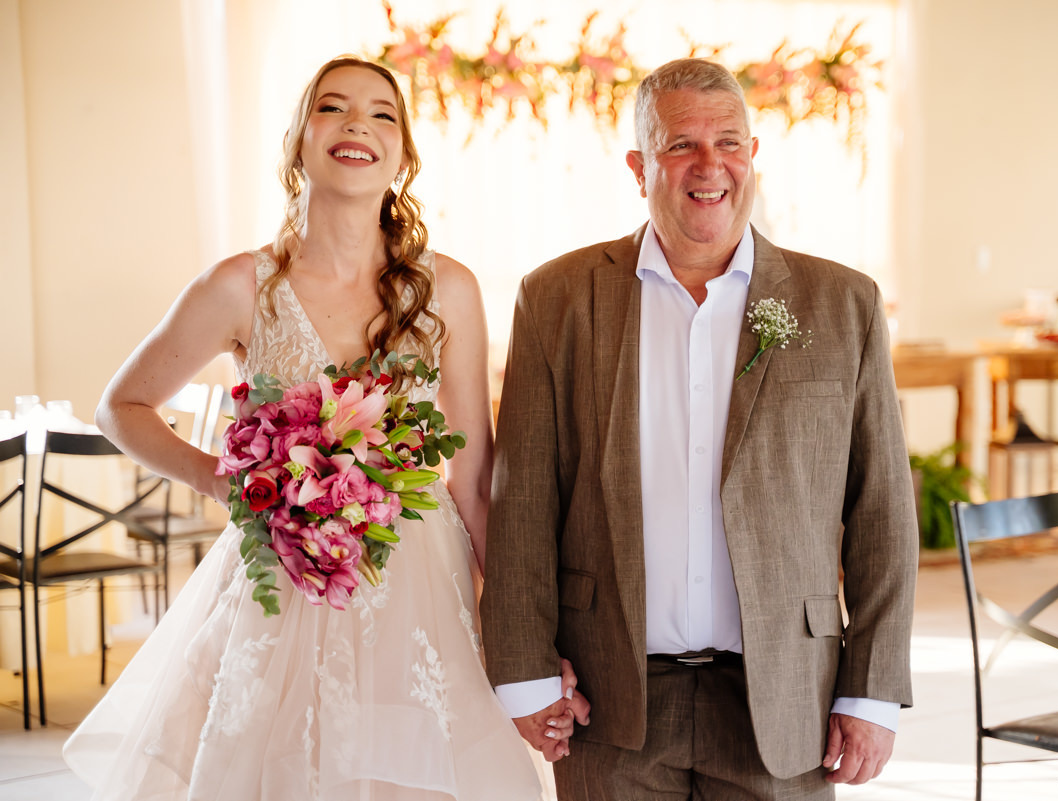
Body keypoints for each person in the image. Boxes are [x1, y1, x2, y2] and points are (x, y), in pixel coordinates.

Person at [62, 55, 568, 800]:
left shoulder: (449, 290)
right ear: (300, 140)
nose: (358, 121)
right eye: (332, 108)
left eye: (382, 113)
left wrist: (522, 635)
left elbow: (474, 477)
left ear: (402, 154)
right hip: (280, 583)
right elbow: (120, 406)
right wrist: (229, 479)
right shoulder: (243, 285)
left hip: (419, 585)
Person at [481, 58, 918, 799]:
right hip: (609, 700)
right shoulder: (555, 299)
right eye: (681, 144)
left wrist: (870, 690)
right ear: (639, 165)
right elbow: (522, 500)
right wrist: (524, 671)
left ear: (753, 156)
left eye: (730, 142)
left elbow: (881, 510)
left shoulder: (845, 303)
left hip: (783, 700)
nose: (710, 165)